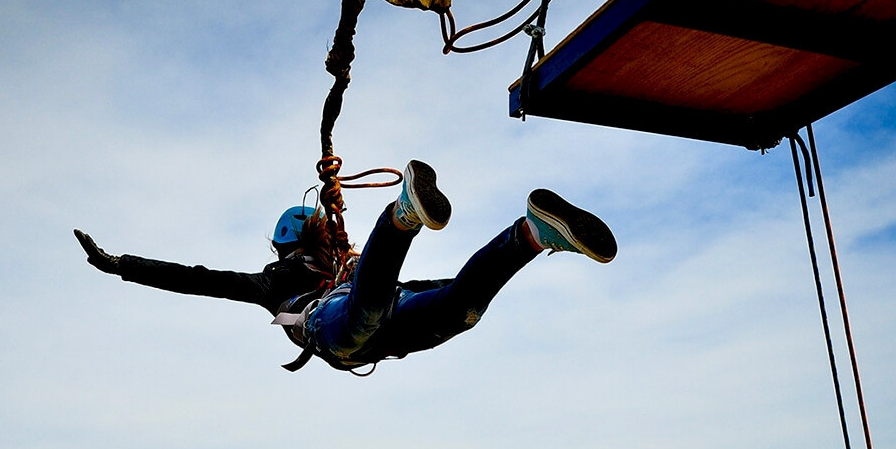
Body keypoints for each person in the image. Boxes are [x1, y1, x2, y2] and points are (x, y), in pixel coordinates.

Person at [74, 160, 616, 373]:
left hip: (352, 329)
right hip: (359, 325)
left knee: (458, 311)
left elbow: (194, 279)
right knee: (423, 304)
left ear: (282, 242)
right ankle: (510, 232)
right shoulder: (288, 281)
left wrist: (118, 264)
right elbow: (194, 278)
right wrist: (119, 264)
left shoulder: (323, 273)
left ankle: (520, 232)